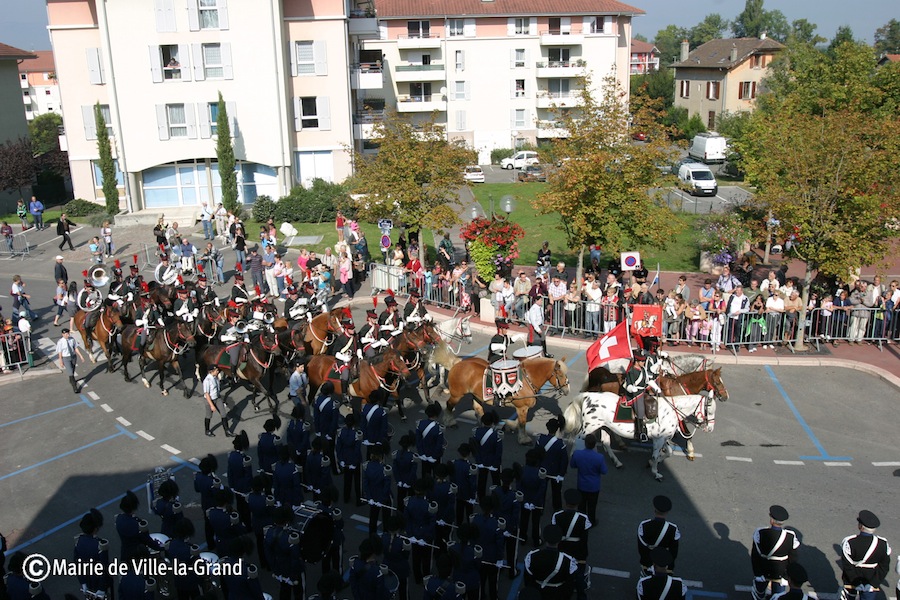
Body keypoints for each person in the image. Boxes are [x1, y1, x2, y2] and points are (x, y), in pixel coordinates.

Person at [839, 510, 892, 600]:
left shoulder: (850, 542)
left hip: (851, 580)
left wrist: (855, 582)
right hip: (871, 578)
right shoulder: (883, 544)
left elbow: (847, 565)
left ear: (860, 526)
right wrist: (873, 583)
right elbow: (884, 566)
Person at [750, 505, 800, 600]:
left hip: (763, 571)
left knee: (759, 595)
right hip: (781, 573)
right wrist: (786, 576)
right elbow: (793, 558)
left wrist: (757, 574)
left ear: (771, 520)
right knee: (778, 596)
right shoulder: (790, 536)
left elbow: (755, 556)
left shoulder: (760, 533)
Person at [523, 524, 577, 600]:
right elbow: (569, 586)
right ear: (559, 540)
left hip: (537, 594)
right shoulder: (567, 560)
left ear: (545, 539)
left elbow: (528, 581)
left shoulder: (532, 556)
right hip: (558, 595)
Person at [73, 508, 114, 598]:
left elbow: (77, 564)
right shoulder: (100, 545)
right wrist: (102, 588)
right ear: (95, 529)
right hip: (99, 581)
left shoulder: (79, 541)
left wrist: (83, 582)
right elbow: (104, 568)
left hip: (87, 579)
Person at [638, 495, 682, 576]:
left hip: (648, 561)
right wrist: (669, 566)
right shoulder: (673, 529)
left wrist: (646, 563)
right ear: (667, 512)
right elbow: (674, 551)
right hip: (664, 562)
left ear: (655, 510)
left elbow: (642, 548)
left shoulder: (644, 525)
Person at [569, 433, 607, 524]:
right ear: (595, 444)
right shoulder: (599, 457)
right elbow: (604, 471)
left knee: (581, 505)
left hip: (581, 484)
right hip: (594, 486)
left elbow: (572, 465)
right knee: (592, 505)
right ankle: (591, 521)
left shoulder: (578, 454)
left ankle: (580, 521)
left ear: (585, 443)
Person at [362, 442, 393, 538]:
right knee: (387, 518)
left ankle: (372, 536)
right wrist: (381, 499)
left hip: (373, 496)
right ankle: (386, 536)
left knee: (373, 517)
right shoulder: (385, 469)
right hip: (383, 498)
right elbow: (386, 486)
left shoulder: (367, 466)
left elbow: (365, 484)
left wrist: (369, 497)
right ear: (381, 456)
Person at [473, 411, 503, 499]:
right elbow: (498, 452)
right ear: (493, 422)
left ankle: (481, 498)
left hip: (481, 461)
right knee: (496, 482)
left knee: (481, 481)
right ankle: (496, 498)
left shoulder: (477, 432)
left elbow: (475, 448)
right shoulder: (496, 435)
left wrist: (478, 460)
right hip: (493, 462)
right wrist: (496, 464)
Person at [336, 412, 363, 505]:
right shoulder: (356, 435)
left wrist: (341, 460)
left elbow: (338, 448)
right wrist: (354, 463)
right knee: (357, 481)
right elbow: (357, 450)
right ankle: (359, 499)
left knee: (347, 480)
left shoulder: (341, 432)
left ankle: (346, 497)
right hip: (354, 461)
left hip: (345, 459)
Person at [415, 402, 445, 479]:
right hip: (434, 456)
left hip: (424, 454)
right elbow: (439, 445)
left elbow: (418, 441)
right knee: (436, 476)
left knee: (425, 475)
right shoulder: (438, 428)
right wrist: (434, 456)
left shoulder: (420, 424)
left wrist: (421, 453)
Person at [203, 365, 232, 437]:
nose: (218, 371)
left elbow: (217, 390)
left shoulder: (215, 378)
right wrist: (212, 405)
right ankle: (207, 430)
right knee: (209, 415)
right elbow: (207, 394)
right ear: (211, 371)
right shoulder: (207, 381)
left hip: (217, 398)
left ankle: (227, 431)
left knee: (223, 414)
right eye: (216, 370)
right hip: (210, 400)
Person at [57, 328, 86, 393]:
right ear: (63, 334)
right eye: (66, 334)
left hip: (73, 357)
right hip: (66, 358)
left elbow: (75, 348)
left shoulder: (72, 339)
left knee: (72, 369)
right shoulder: (60, 342)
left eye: (68, 333)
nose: (68, 335)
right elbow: (60, 352)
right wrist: (61, 361)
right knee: (70, 372)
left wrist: (81, 356)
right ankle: (75, 387)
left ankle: (71, 379)